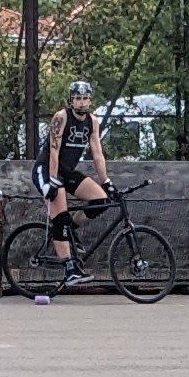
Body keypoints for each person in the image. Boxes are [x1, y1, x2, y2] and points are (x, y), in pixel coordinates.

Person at [34, 78, 111, 302]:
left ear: (90, 100)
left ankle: (72, 228)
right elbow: (54, 151)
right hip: (47, 169)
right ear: (71, 99)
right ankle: (69, 270)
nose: (81, 102)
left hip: (68, 171)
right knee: (60, 217)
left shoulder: (92, 122)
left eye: (85, 98)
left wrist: (106, 181)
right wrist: (54, 181)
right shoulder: (61, 117)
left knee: (101, 200)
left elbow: (97, 153)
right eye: (77, 98)